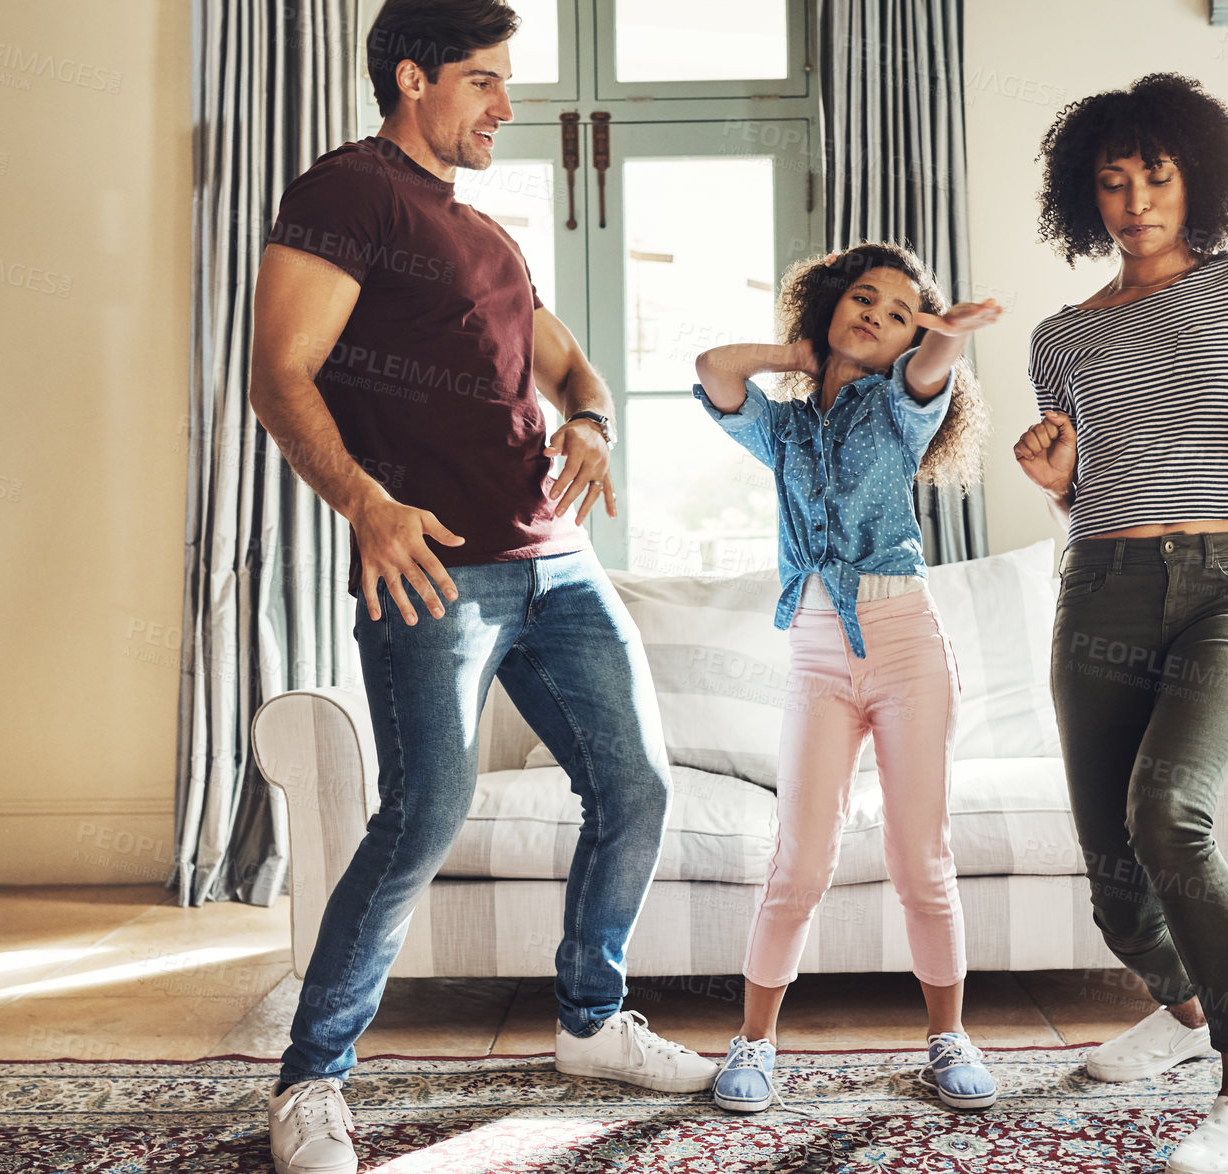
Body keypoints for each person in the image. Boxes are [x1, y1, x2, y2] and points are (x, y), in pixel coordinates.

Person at [248, 3, 714, 1171]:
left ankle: (592, 1020)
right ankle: (313, 1079)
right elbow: (278, 374)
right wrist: (365, 502)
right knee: (420, 816)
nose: (509, 105)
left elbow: (567, 364)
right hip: (436, 571)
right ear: (412, 78)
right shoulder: (346, 191)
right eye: (486, 81)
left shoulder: (484, 236)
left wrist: (595, 420)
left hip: (557, 560)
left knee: (637, 786)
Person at [1015, 73, 1228, 1174]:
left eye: (1155, 173)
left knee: (1169, 811)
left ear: (1196, 175)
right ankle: (1186, 1008)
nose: (1136, 198)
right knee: (1115, 887)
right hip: (1099, 589)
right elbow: (1087, 489)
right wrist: (1054, 479)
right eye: (1112, 181)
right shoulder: (1060, 339)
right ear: (1085, 197)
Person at [692, 242, 999, 1114]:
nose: (878, 314)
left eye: (900, 313)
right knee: (799, 861)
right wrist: (795, 358)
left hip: (907, 649)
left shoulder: (899, 411)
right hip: (819, 657)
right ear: (829, 303)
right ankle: (753, 1044)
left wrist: (946, 337)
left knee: (919, 861)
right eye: (863, 297)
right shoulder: (783, 426)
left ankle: (948, 1037)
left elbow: (930, 372)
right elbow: (714, 371)